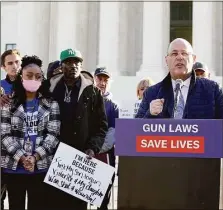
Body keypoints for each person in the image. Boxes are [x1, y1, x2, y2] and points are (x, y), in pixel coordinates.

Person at [135, 38, 223, 209]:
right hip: (163, 176)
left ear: (193, 58)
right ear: (166, 60)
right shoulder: (153, 92)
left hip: (201, 176)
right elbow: (134, 133)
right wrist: (149, 114)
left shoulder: (212, 90)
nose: (180, 57)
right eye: (174, 54)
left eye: (185, 53)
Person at [47, 48, 108, 210]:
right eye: (68, 62)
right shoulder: (50, 89)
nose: (73, 65)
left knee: (78, 205)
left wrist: (92, 148)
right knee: (54, 203)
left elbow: (101, 125)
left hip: (79, 161)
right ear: (61, 65)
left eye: (77, 62)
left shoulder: (93, 92)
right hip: (54, 158)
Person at [1, 55, 61, 210]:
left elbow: (53, 135)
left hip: (40, 166)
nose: (33, 79)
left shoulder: (51, 104)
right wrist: (22, 157)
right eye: (29, 76)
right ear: (21, 77)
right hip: (13, 167)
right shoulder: (8, 103)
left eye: (38, 76)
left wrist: (34, 157)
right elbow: (4, 134)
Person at [94, 67, 119, 210]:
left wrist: (96, 148)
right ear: (94, 79)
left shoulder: (113, 106)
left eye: (105, 80)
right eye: (99, 79)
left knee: (103, 197)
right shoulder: (86, 101)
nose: (102, 83)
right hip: (86, 154)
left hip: (105, 155)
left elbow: (113, 131)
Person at [1, 49, 22, 210]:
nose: (15, 66)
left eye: (17, 62)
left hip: (24, 153)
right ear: (3, 67)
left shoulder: (33, 85)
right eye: (10, 63)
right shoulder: (1, 87)